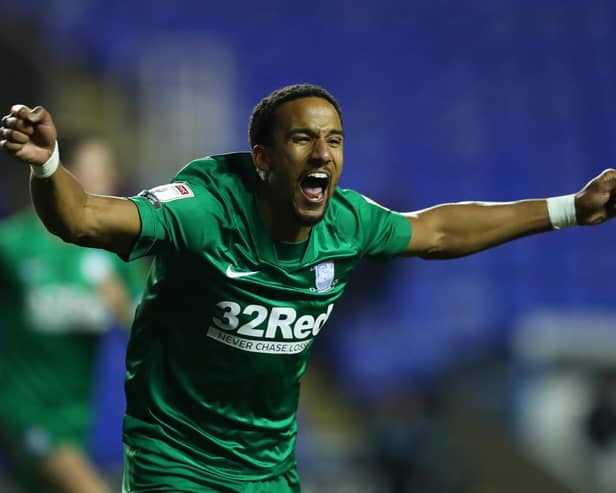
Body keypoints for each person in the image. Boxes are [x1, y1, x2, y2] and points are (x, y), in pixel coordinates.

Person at [1, 83, 615, 493]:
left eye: (334, 140)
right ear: (263, 159)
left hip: (267, 469)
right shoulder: (202, 211)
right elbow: (81, 218)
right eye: (302, 139)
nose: (322, 153)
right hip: (176, 459)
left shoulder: (347, 222)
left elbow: (439, 229)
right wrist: (49, 165)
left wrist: (568, 208)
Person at [0, 135, 145, 493]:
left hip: (78, 418)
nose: (107, 181)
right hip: (26, 411)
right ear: (63, 174)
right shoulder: (13, 245)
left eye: (109, 172)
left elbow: (149, 334)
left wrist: (121, 306)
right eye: (95, 171)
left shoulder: (113, 256)